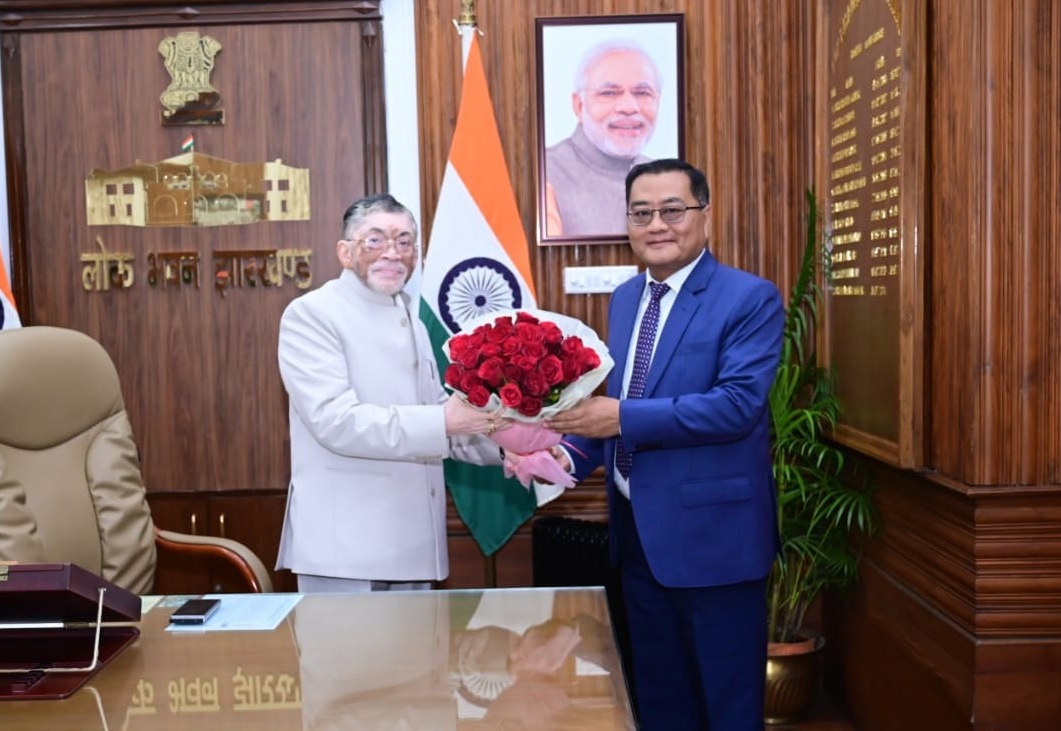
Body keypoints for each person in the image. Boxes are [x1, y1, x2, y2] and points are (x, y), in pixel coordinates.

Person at [546, 159, 784, 730]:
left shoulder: (749, 298)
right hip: (637, 537)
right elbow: (626, 399)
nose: (657, 224)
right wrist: (564, 454)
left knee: (727, 707)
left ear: (706, 215)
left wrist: (618, 418)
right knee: (659, 703)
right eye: (641, 212)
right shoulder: (627, 298)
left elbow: (735, 406)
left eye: (673, 210)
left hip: (715, 543)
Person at [276, 193, 507, 594]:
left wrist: (508, 446)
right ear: (345, 252)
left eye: (404, 241)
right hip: (346, 548)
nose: (392, 253)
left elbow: (440, 417)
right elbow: (337, 422)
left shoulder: (409, 318)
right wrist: (445, 420)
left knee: (419, 641)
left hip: (415, 542)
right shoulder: (312, 314)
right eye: (375, 239)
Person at [544, 39, 662, 238]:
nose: (629, 107)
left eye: (642, 93)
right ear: (579, 106)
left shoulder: (669, 180)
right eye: (609, 93)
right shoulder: (543, 173)